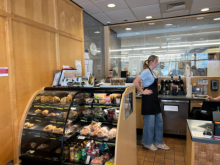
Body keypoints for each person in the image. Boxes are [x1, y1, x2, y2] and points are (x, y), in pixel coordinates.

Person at [133, 55, 170, 151]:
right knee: (149, 124)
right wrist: (142, 91)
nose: (158, 63)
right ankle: (147, 143)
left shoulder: (153, 72)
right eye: (157, 61)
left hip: (154, 100)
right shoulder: (146, 72)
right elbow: (135, 82)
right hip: (148, 101)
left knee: (159, 122)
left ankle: (158, 142)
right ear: (152, 62)